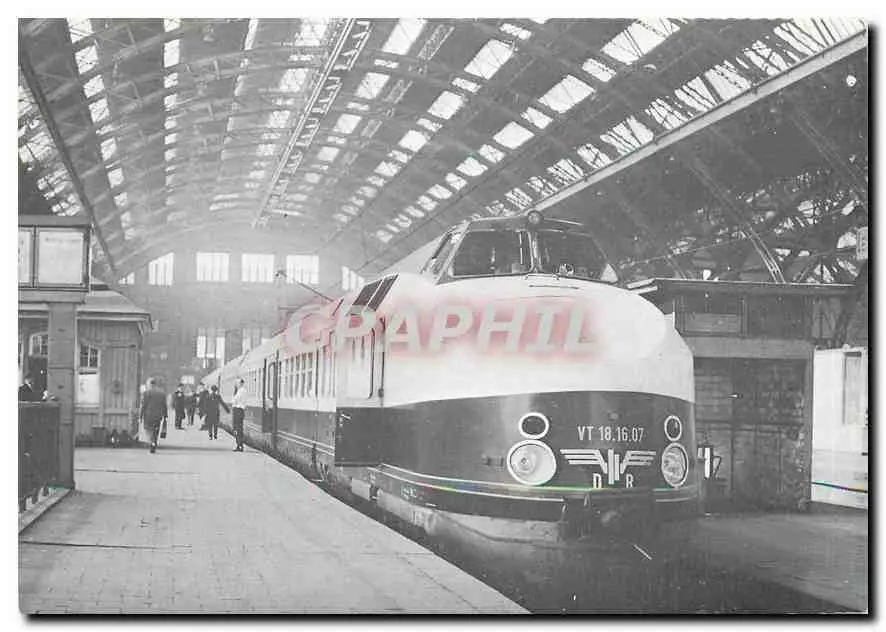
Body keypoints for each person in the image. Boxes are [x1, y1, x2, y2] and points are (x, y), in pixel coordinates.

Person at [140, 377, 168, 453]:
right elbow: (164, 405)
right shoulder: (161, 393)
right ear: (155, 384)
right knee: (156, 430)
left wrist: (140, 416)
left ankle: (151, 442)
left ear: (149, 384)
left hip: (148, 415)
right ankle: (154, 442)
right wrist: (165, 415)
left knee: (148, 430)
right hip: (158, 416)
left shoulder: (146, 393)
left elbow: (143, 406)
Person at [231, 379, 246, 452]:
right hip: (239, 411)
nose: (235, 385)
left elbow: (234, 400)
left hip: (238, 410)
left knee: (237, 429)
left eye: (236, 384)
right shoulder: (241, 391)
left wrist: (235, 392)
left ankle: (239, 445)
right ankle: (239, 445)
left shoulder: (241, 391)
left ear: (240, 384)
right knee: (238, 429)